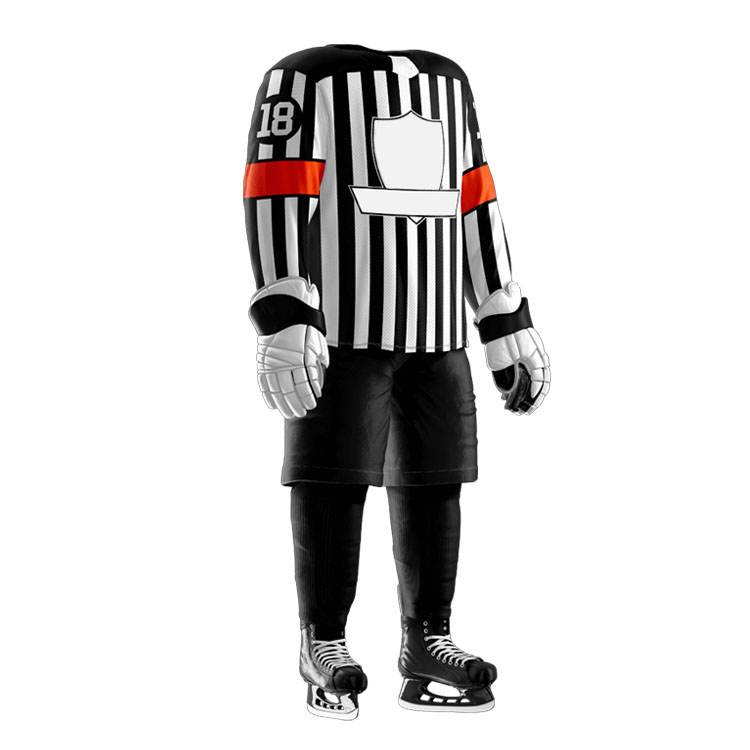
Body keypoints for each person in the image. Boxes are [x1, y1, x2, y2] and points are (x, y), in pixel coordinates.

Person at [243, 44, 550, 719]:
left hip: (437, 331)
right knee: (334, 478)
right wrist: (285, 304)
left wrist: (501, 312)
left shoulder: (450, 84)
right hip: (342, 332)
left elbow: (474, 195)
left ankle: (427, 640)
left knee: (436, 480)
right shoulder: (307, 80)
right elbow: (277, 183)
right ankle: (321, 641)